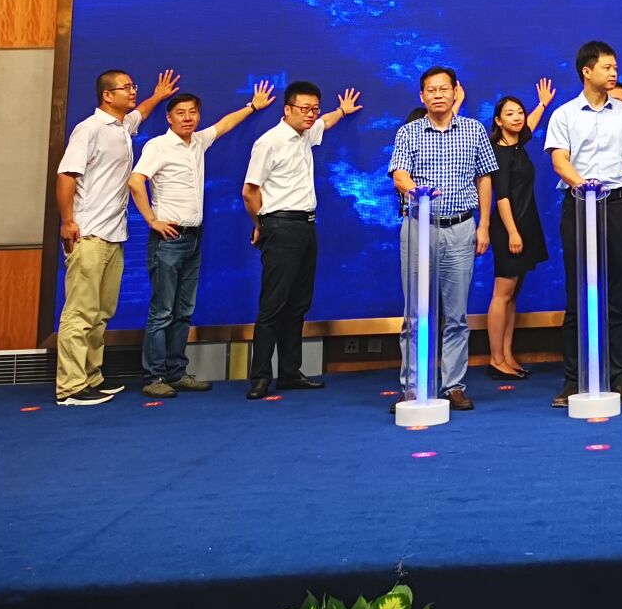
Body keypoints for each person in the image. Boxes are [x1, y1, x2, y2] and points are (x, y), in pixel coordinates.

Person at [127, 80, 275, 396]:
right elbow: (136, 181)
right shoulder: (158, 146)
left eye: (193, 112)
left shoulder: (198, 142)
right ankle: (154, 377)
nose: (188, 118)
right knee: (162, 311)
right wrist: (151, 220)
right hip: (168, 239)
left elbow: (224, 125)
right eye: (181, 113)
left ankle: (176, 372)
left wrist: (252, 106)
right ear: (169, 118)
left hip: (194, 237)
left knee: (183, 311)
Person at [54, 66, 178, 407]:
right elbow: (66, 175)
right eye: (126, 87)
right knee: (80, 312)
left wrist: (158, 96)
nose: (133, 91)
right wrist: (67, 221)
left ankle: (91, 377)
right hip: (88, 233)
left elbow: (141, 113)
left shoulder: (123, 126)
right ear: (107, 95)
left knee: (101, 312)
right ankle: (70, 387)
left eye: (133, 86)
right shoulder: (90, 129)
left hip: (113, 235)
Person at [242, 79, 363, 399]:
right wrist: (261, 225)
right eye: (304, 109)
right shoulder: (269, 142)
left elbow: (326, 123)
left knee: (298, 304)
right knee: (273, 304)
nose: (311, 114)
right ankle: (260, 377)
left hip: (307, 226)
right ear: (287, 109)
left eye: (314, 109)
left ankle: (289, 372)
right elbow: (249, 191)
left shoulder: (306, 134)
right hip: (280, 225)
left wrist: (341, 111)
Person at [546, 41, 622, 406]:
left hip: (617, 204)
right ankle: (573, 379)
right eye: (607, 67)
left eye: (615, 67)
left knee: (619, 294)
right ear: (586, 71)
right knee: (578, 293)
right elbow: (559, 161)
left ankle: (620, 377)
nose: (613, 72)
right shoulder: (564, 114)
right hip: (579, 204)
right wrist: (584, 187)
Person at [390, 66, 498, 412]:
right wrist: (416, 191)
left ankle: (453, 386)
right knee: (415, 314)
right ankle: (412, 387)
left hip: (461, 227)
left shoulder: (474, 130)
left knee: (456, 315)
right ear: (422, 96)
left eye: (443, 89)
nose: (437, 95)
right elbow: (399, 174)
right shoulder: (408, 132)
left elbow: (485, 178)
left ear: (455, 92)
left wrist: (484, 226)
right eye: (431, 90)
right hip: (418, 227)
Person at [487, 80, 555, 380]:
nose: (517, 117)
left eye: (520, 112)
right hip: (509, 229)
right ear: (498, 121)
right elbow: (501, 197)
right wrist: (513, 232)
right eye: (510, 114)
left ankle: (507, 354)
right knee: (502, 293)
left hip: (526, 225)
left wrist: (542, 104)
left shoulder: (517, 145)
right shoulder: (498, 153)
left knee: (513, 294)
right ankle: (495, 359)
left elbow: (530, 126)